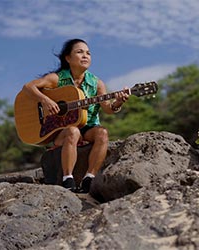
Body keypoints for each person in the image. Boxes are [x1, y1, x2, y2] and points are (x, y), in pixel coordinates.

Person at [23, 38, 129, 193]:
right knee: (73, 131)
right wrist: (45, 101)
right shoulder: (57, 78)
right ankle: (68, 179)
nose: (85, 56)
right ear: (68, 58)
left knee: (102, 133)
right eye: (80, 52)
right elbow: (28, 87)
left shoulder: (97, 83)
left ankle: (89, 178)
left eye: (88, 53)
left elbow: (108, 108)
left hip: (88, 127)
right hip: (61, 130)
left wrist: (118, 102)